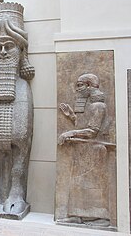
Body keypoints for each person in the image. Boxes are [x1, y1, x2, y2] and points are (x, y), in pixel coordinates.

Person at [58, 73, 112, 227]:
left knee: (92, 186)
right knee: (77, 184)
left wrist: (70, 133)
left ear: (89, 85)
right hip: (83, 150)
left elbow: (91, 131)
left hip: (94, 151)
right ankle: (77, 215)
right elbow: (84, 125)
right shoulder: (91, 105)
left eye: (80, 85)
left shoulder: (98, 106)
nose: (77, 89)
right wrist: (71, 116)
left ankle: (100, 217)